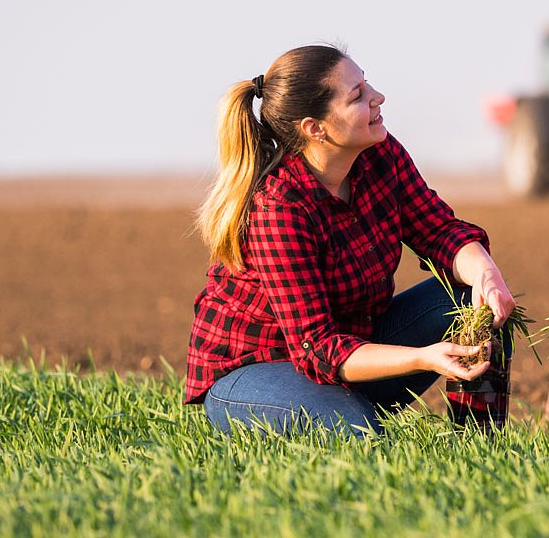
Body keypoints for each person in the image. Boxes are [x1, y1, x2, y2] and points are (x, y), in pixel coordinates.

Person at [186, 44, 517, 436]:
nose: (378, 97)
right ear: (315, 128)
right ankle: (348, 415)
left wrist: (486, 274)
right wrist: (424, 358)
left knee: (475, 302)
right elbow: (318, 348)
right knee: (362, 436)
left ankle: (481, 444)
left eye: (367, 84)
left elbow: (439, 231)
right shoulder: (279, 206)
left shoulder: (380, 154)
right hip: (257, 369)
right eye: (358, 96)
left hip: (350, 349)